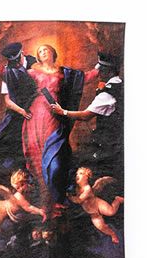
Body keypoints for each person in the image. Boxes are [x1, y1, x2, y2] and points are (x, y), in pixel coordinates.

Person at [21, 43, 99, 215]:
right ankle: (46, 199)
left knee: (56, 156)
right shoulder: (32, 72)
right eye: (40, 51)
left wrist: (100, 67)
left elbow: (83, 78)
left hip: (54, 115)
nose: (43, 52)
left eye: (46, 49)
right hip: (36, 114)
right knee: (37, 154)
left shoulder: (64, 73)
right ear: (38, 56)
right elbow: (11, 77)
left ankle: (57, 197)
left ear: (53, 53)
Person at [50, 51, 123, 179]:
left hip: (109, 143)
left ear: (109, 71)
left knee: (84, 166)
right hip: (117, 140)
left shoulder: (107, 93)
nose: (98, 73)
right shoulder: (120, 85)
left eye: (101, 70)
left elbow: (85, 115)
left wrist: (63, 112)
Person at [0, 42, 37, 173]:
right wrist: (22, 111)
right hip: (18, 112)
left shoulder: (34, 64)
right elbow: (8, 101)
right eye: (13, 62)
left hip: (36, 109)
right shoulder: (8, 72)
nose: (16, 64)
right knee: (6, 140)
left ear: (22, 53)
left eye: (17, 61)